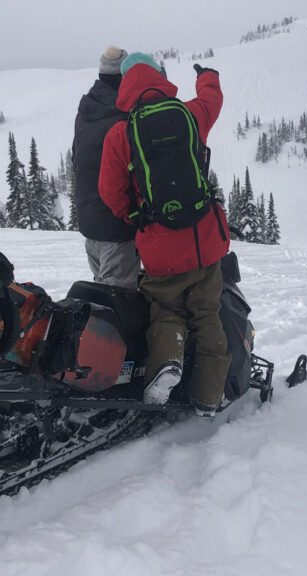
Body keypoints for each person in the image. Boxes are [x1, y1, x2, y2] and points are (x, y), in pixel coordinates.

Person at [98, 53, 229, 416]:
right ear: (160, 77)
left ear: (125, 87)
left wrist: (139, 216)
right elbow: (212, 101)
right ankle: (208, 396)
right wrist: (208, 76)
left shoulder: (120, 133)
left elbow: (110, 190)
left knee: (166, 310)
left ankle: (166, 365)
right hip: (205, 240)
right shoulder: (190, 114)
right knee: (207, 314)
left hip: (161, 245)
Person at [71, 46, 141, 289]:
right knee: (117, 302)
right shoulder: (121, 118)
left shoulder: (87, 112)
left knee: (104, 292)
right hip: (116, 227)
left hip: (91, 223)